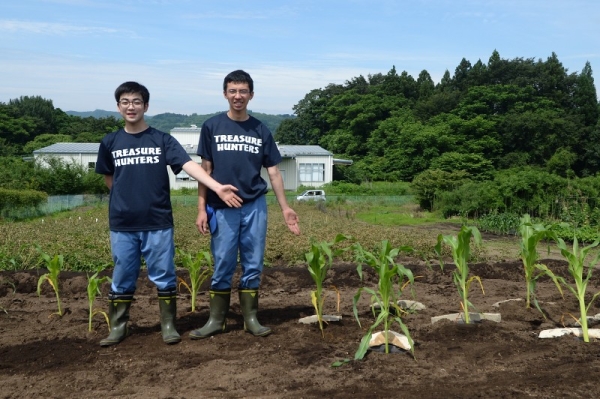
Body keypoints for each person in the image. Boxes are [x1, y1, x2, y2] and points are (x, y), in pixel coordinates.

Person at [95, 81, 243, 347]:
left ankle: (168, 325)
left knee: (163, 274)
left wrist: (217, 187)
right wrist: (126, 200)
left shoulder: (161, 139)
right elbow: (110, 179)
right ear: (118, 107)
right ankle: (118, 327)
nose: (131, 107)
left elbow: (189, 165)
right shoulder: (110, 142)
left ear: (146, 106)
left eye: (137, 102)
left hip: (158, 221)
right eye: (126, 102)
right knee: (122, 275)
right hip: (123, 223)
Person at [190, 70, 300, 339]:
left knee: (253, 262)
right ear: (225, 94)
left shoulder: (260, 129)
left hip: (254, 206)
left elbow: (273, 172)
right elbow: (205, 170)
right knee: (223, 261)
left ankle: (251, 318)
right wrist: (201, 208)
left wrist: (285, 208)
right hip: (222, 206)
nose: (237, 96)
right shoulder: (212, 127)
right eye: (232, 91)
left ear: (251, 95)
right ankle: (217, 320)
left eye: (243, 91)